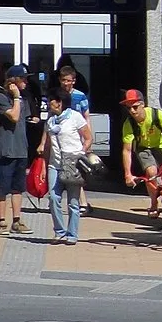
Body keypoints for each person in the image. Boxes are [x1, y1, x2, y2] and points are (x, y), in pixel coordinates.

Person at [117, 89, 162, 220]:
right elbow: (127, 150)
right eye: (129, 108)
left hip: (161, 146)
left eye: (135, 107)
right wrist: (127, 174)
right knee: (151, 173)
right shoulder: (129, 124)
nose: (132, 111)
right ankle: (154, 203)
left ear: (142, 104)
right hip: (143, 148)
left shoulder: (156, 114)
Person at [0, 65, 33, 235]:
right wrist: (16, 97)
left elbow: (23, 118)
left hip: (21, 148)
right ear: (13, 81)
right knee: (3, 187)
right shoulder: (1, 98)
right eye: (23, 79)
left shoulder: (23, 100)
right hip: (7, 148)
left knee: (18, 188)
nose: (26, 82)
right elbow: (13, 116)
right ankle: (2, 222)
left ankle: (17, 220)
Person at [41, 86, 90, 244]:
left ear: (59, 102)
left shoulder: (75, 117)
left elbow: (88, 138)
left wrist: (81, 153)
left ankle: (72, 234)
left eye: (51, 101)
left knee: (73, 201)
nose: (49, 104)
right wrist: (44, 165)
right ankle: (59, 231)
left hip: (72, 164)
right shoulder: (50, 121)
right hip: (54, 164)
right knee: (54, 198)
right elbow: (47, 146)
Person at [54, 64, 93, 214]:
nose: (66, 83)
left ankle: (82, 203)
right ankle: (78, 203)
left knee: (76, 169)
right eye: (63, 80)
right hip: (61, 137)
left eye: (68, 80)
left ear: (74, 81)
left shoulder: (80, 96)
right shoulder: (57, 95)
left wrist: (88, 140)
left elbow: (86, 116)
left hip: (76, 137)